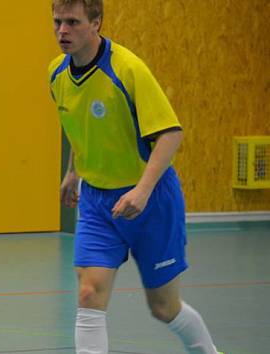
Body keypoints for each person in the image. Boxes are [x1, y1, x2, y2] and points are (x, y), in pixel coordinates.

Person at [48, 1, 222, 353]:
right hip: (97, 201)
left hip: (150, 200)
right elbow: (80, 128)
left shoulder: (127, 69)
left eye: (72, 22)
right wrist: (72, 172)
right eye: (57, 22)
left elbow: (170, 133)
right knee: (88, 293)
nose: (62, 31)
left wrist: (142, 190)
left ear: (96, 23)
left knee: (164, 307)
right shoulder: (57, 74)